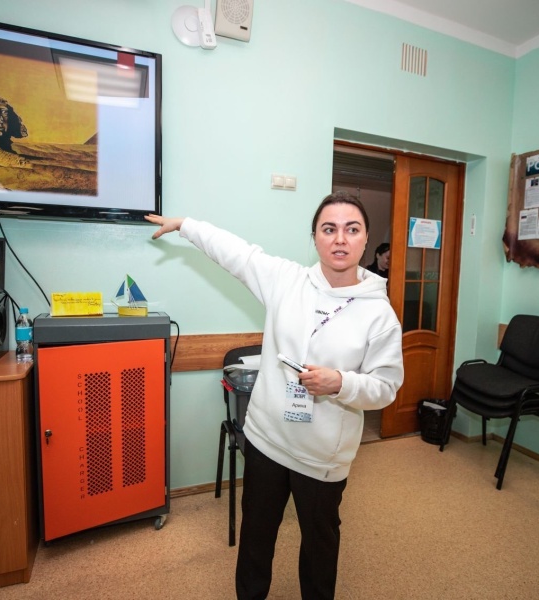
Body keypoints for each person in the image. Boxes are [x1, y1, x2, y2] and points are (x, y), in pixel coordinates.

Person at [146, 191, 403, 600]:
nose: (340, 239)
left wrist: (341, 383)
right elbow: (237, 254)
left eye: (352, 229)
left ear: (366, 238)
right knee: (256, 536)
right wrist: (187, 226)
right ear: (314, 237)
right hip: (267, 441)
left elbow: (386, 387)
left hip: (322, 458)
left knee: (320, 546)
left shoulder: (380, 314)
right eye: (329, 229)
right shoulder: (287, 281)